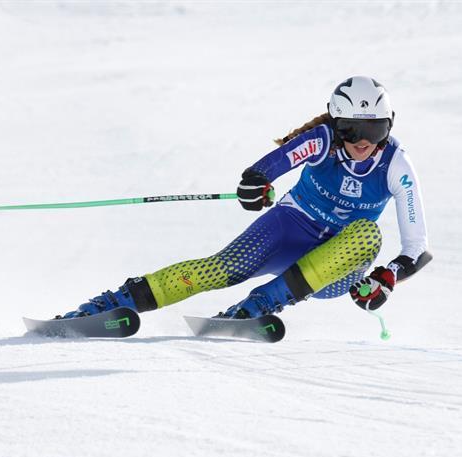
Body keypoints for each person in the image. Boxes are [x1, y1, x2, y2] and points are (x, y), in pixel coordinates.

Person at [62, 76, 430, 320]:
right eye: (351, 129)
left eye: (374, 128)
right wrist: (256, 186)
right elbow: (267, 168)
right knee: (220, 269)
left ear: (389, 125)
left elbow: (417, 248)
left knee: (368, 233)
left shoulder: (397, 163)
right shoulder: (322, 141)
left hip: (332, 269)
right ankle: (113, 304)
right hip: (290, 228)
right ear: (336, 124)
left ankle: (260, 305)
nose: (362, 140)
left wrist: (386, 278)